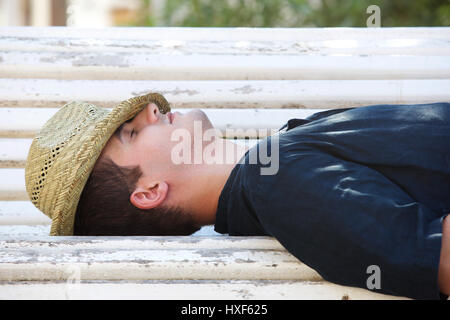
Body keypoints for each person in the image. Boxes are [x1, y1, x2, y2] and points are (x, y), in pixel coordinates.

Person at [25, 93, 450, 299]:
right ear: (150, 192)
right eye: (132, 132)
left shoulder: (274, 166)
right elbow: (436, 257)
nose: (150, 110)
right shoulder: (278, 182)